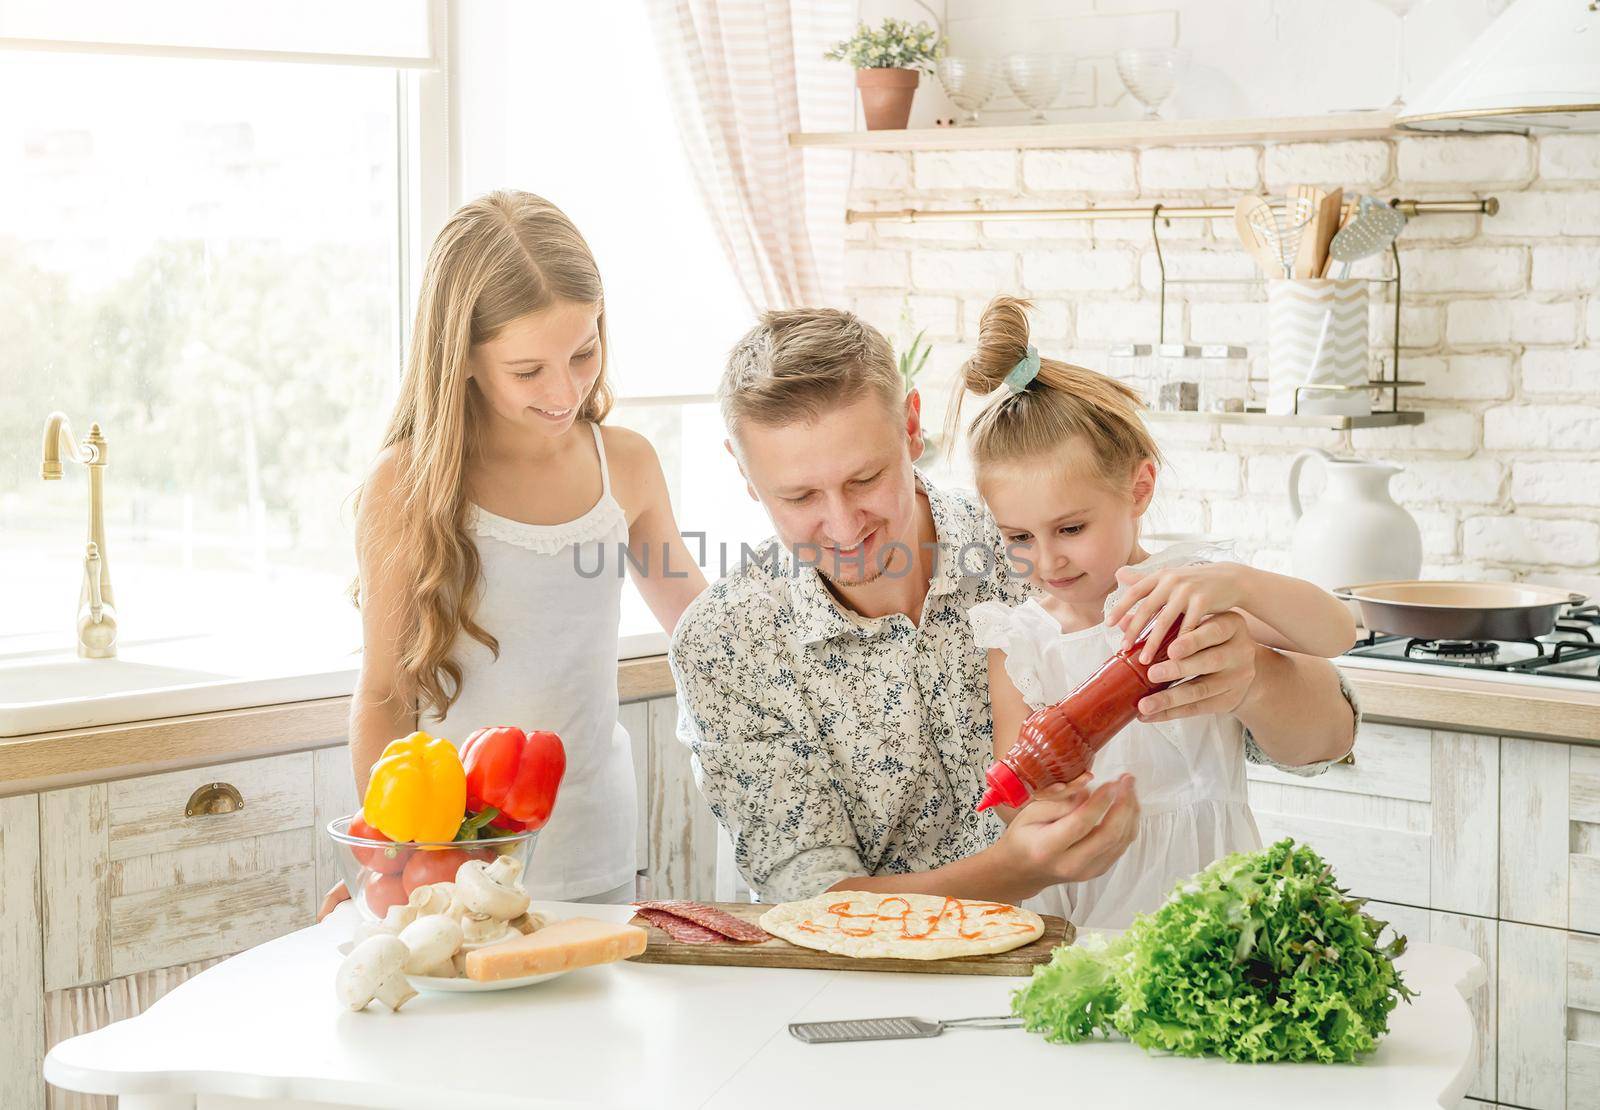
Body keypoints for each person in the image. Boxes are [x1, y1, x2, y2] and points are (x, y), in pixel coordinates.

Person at [669, 307, 1141, 907]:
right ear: (743, 471)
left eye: (865, 478)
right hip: (861, 988)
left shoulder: (1030, 542)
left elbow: (1276, 747)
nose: (842, 526)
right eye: (800, 496)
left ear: (911, 427)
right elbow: (814, 899)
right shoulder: (725, 640)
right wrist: (1014, 871)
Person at [319, 190, 705, 918]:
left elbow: (707, 630)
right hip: (455, 864)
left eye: (583, 352)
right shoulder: (408, 485)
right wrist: (391, 855)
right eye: (529, 371)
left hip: (597, 849)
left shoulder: (625, 465)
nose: (565, 390)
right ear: (461, 358)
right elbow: (383, 696)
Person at [957, 295, 1359, 928]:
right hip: (1095, 895)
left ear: (1138, 489)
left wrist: (1242, 584)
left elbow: (1337, 633)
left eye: (1070, 527)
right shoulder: (1021, 639)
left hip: (1214, 887)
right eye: (1019, 538)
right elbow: (1015, 799)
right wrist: (1048, 796)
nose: (1049, 560)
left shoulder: (1185, 593)